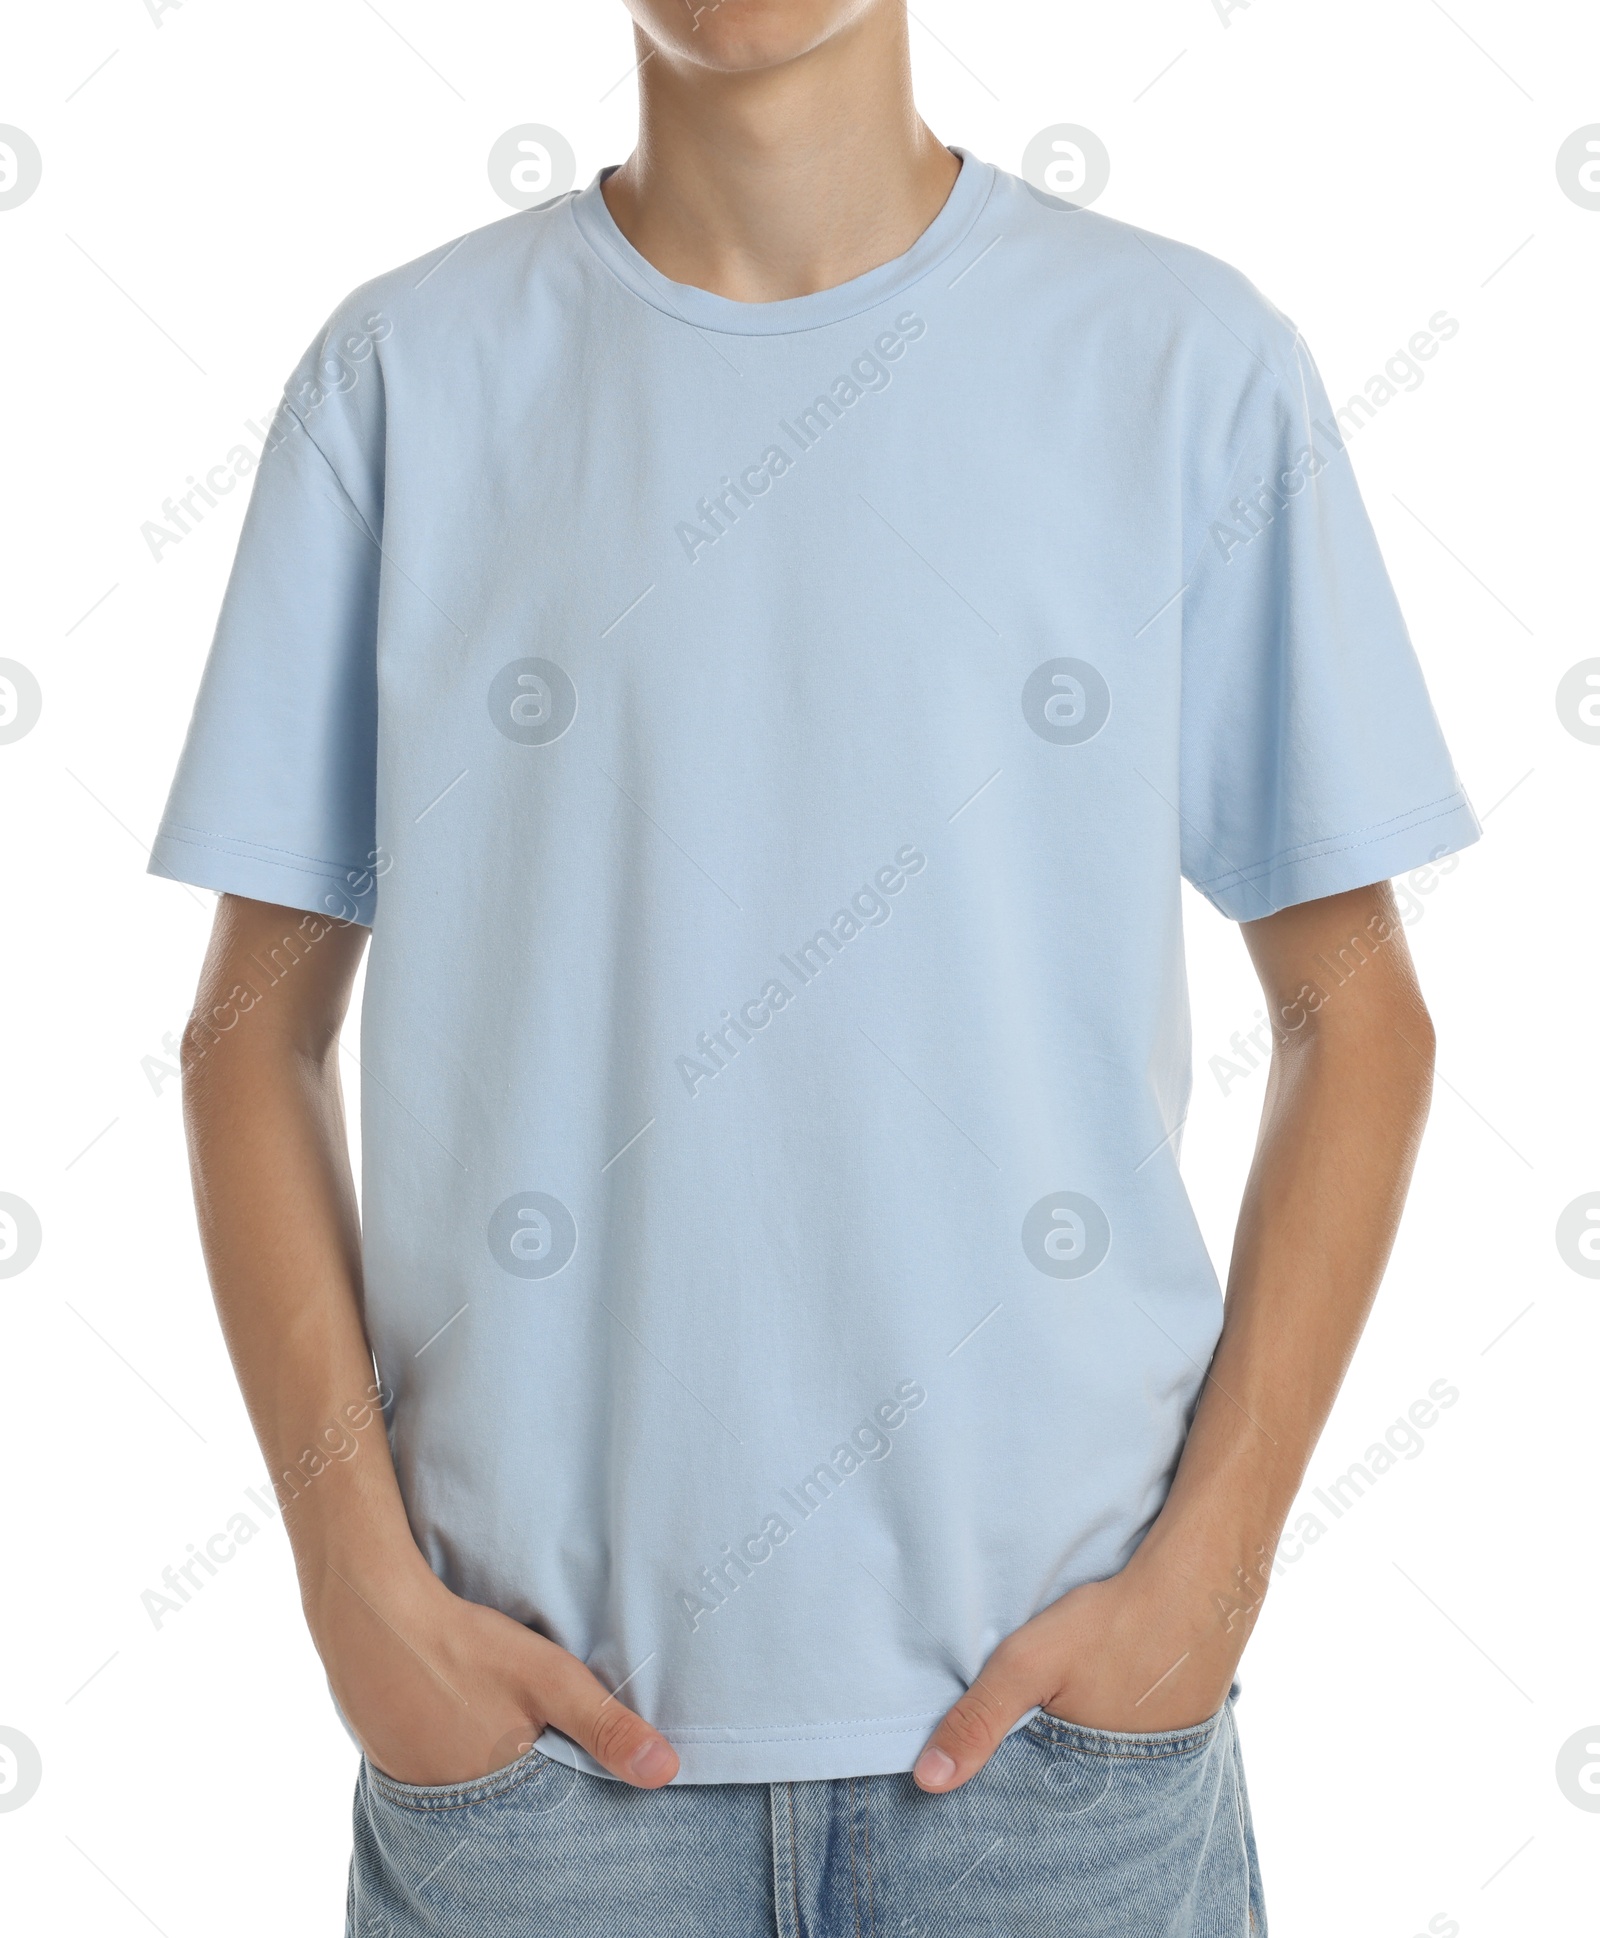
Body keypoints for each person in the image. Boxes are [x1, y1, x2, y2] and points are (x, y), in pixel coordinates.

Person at [151, 2, 1479, 1931]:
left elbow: (1360, 1019)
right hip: (539, 1794)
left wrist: (1213, 1573)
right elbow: (245, 1042)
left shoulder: (1183, 368)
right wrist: (355, 1584)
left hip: (1059, 1786)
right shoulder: (403, 381)